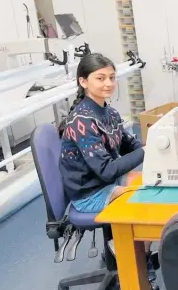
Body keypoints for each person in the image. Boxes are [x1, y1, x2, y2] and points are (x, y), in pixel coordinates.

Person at [59, 53, 144, 214]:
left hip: (107, 182)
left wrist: (153, 148)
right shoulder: (81, 121)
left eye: (112, 78)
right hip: (90, 194)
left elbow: (127, 143)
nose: (109, 83)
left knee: (155, 183)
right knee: (146, 198)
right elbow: (107, 170)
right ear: (83, 82)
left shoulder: (109, 112)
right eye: (101, 78)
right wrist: (145, 152)